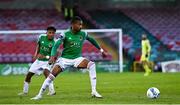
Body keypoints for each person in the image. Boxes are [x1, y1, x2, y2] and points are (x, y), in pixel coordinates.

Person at [31, 16, 108, 100]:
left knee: (92, 65)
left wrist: (101, 50)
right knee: (51, 76)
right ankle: (39, 95)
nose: (81, 26)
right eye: (79, 24)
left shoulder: (83, 33)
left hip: (77, 59)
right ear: (73, 24)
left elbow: (92, 40)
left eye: (81, 25)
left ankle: (94, 91)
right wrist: (52, 56)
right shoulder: (65, 34)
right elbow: (56, 45)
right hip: (64, 60)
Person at [18, 26, 57, 96]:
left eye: (53, 33)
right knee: (29, 75)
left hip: (47, 62)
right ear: (46, 33)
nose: (51, 34)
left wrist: (45, 57)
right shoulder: (41, 37)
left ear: (54, 34)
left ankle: (52, 91)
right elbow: (38, 46)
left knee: (47, 75)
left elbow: (54, 55)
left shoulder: (55, 42)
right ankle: (25, 92)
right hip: (38, 61)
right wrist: (36, 54)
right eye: (49, 32)